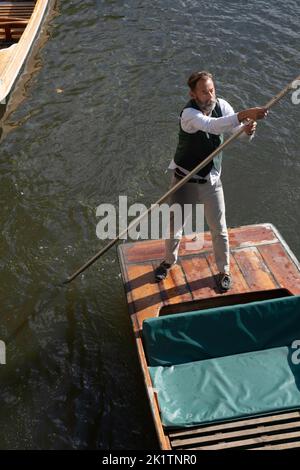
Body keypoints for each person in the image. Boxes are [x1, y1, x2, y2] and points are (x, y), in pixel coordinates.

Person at [154, 71, 268, 291]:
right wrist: (246, 113)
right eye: (204, 92)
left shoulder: (222, 106)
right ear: (193, 94)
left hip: (211, 181)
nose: (210, 95)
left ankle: (224, 270)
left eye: (212, 90)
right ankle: (168, 261)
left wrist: (247, 130)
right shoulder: (189, 114)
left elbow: (238, 134)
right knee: (174, 227)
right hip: (184, 179)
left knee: (220, 229)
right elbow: (213, 126)